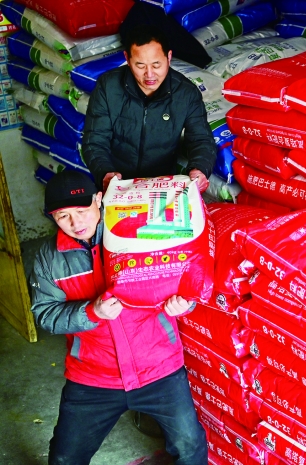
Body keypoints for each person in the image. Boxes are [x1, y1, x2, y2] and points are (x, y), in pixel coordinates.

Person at [30, 170, 207, 465]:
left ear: (98, 199)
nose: (76, 223)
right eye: (63, 216)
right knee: (64, 457)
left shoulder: (138, 231)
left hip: (159, 366)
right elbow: (45, 314)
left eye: (81, 210)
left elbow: (181, 275)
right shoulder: (49, 258)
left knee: (190, 446)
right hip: (93, 375)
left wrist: (184, 304)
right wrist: (91, 312)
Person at [82, 24, 216, 194]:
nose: (150, 74)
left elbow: (201, 139)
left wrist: (200, 168)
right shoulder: (108, 87)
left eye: (156, 64)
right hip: (116, 185)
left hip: (162, 187)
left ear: (169, 57)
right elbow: (94, 140)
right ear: (127, 59)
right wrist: (105, 173)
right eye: (140, 65)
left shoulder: (186, 93)